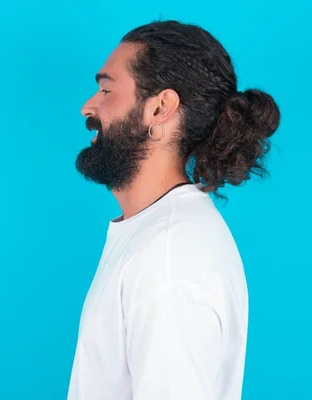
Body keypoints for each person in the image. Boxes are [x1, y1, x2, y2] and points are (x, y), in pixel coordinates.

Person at [68, 20, 280, 400]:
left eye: (106, 90)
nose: (89, 105)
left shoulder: (168, 258)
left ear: (159, 107)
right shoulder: (157, 235)